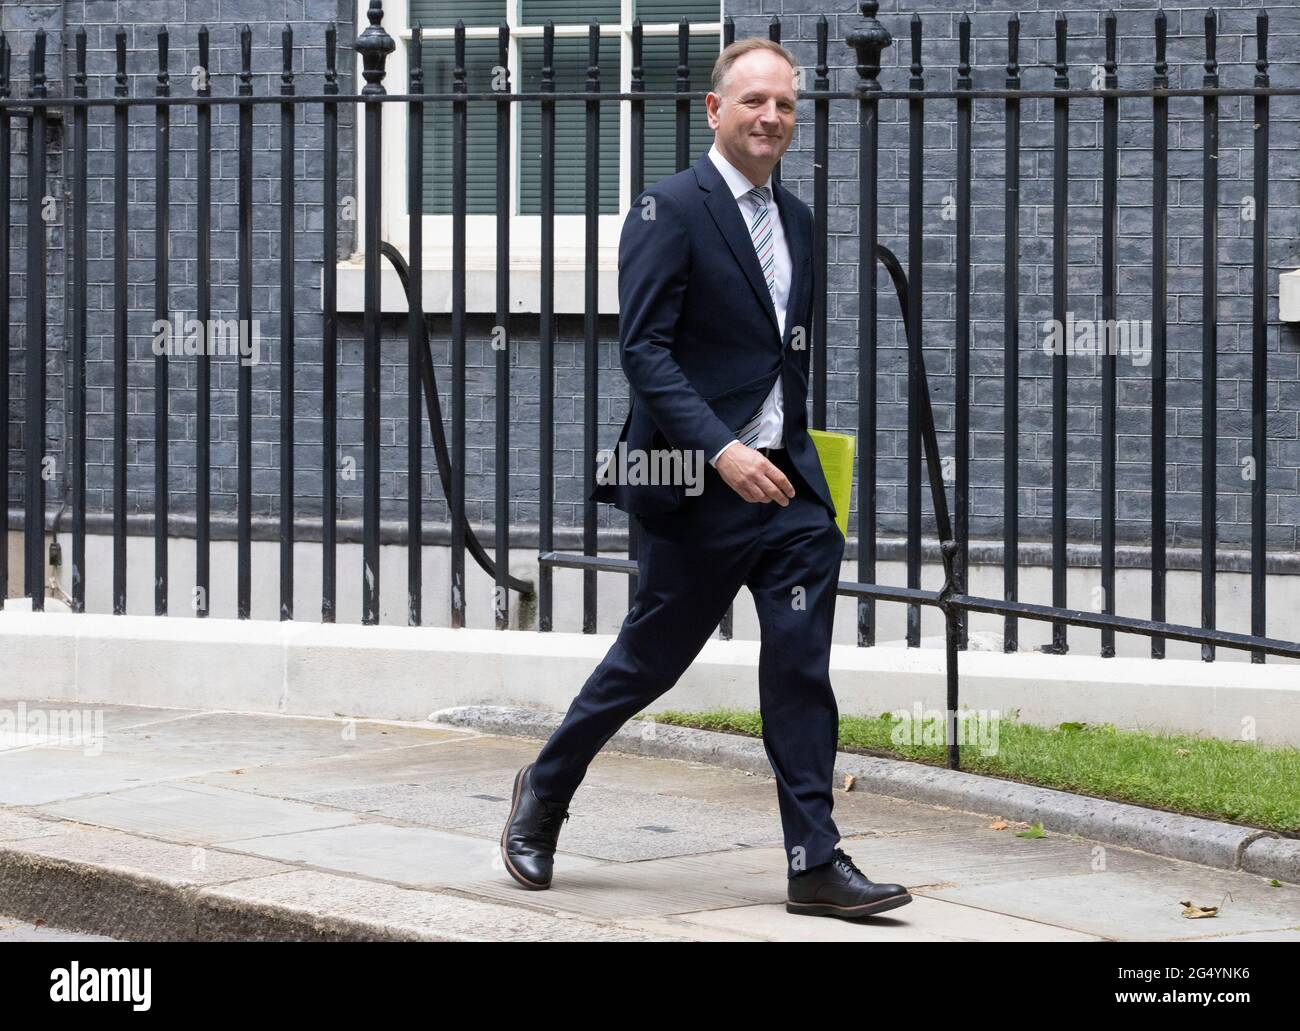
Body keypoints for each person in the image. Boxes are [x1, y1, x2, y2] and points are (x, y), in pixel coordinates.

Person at [500, 37, 912, 921]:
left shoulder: (797, 219)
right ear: (715, 111)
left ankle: (814, 860)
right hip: (694, 478)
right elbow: (644, 353)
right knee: (652, 659)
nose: (772, 117)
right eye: (755, 101)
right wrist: (724, 449)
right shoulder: (669, 209)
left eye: (787, 105)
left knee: (800, 666)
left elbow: (775, 353)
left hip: (789, 491)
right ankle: (544, 791)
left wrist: (790, 455)